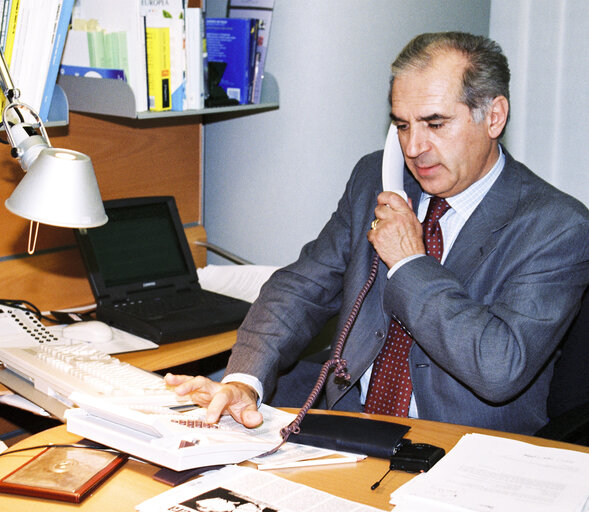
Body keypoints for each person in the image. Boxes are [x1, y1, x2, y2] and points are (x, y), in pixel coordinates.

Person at [165, 32, 589, 435]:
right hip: (348, 431)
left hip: (463, 453)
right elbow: (302, 286)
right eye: (402, 125)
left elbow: (500, 368)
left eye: (435, 124)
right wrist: (244, 380)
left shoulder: (556, 226)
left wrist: (409, 263)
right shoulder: (378, 178)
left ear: (493, 117)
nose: (414, 148)